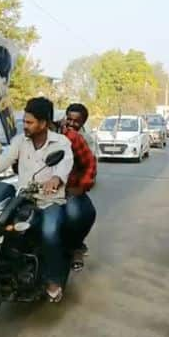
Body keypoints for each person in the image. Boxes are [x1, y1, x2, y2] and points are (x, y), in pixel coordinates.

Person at [0, 97, 74, 302]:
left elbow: (65, 164)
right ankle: (5, 269)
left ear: (43, 123)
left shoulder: (61, 142)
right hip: (23, 199)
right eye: (24, 121)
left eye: (29, 122)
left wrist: (55, 179)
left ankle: (53, 280)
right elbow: (5, 159)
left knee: (49, 232)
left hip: (49, 201)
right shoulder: (20, 141)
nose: (24, 126)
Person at [59, 103, 97, 272]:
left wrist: (82, 187)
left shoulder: (84, 140)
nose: (72, 123)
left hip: (71, 187)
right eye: (69, 119)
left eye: (77, 121)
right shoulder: (55, 132)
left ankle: (76, 247)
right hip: (43, 186)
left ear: (83, 123)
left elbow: (90, 165)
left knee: (82, 213)